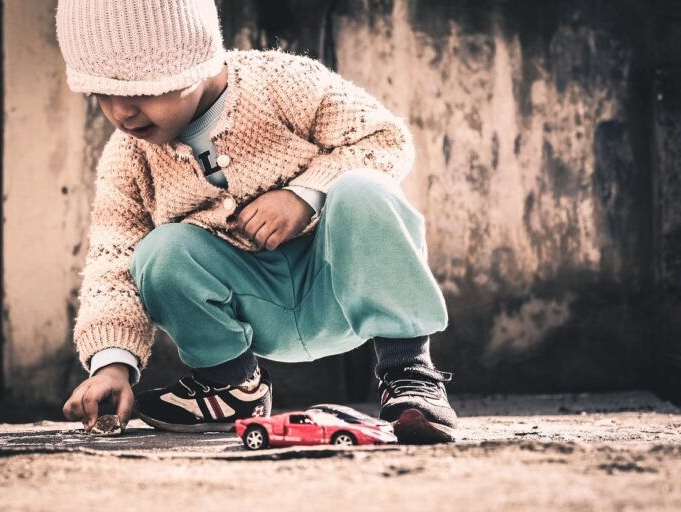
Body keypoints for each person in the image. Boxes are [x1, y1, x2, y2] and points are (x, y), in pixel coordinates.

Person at [57, 0, 457, 444]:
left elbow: (385, 138)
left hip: (337, 289)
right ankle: (233, 387)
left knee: (363, 188)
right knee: (158, 251)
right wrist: (112, 363)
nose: (121, 112)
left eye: (141, 91)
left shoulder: (282, 82)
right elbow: (112, 262)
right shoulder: (128, 157)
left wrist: (304, 195)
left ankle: (410, 374)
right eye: (101, 94)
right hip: (253, 307)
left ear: (200, 61)